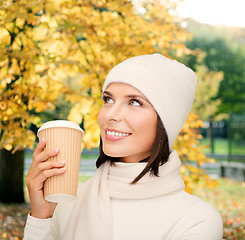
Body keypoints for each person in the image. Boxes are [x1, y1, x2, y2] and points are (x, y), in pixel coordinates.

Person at [24, 53, 223, 240]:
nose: (111, 114)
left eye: (135, 102)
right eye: (108, 99)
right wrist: (41, 218)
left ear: (166, 123)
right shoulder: (64, 202)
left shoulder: (196, 220)